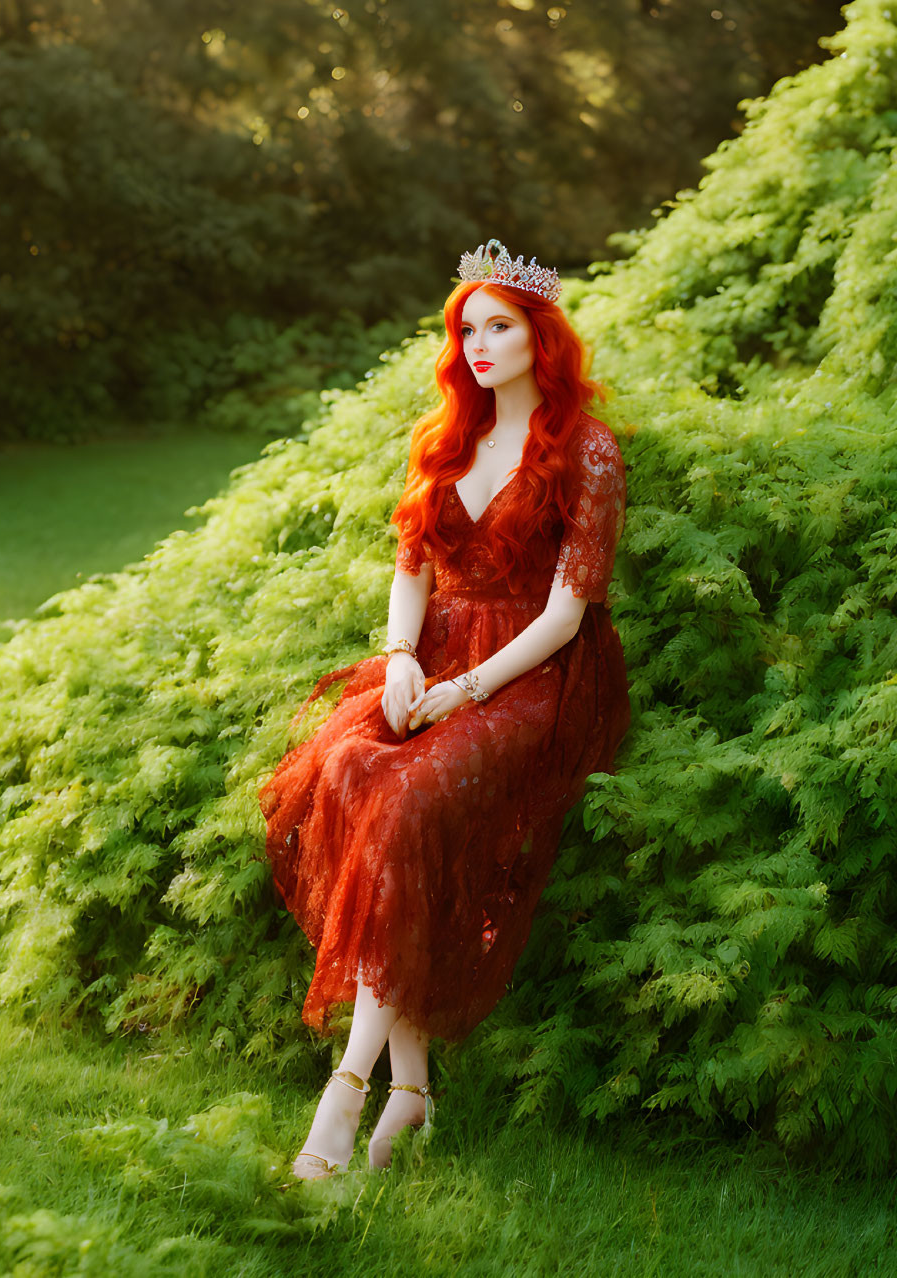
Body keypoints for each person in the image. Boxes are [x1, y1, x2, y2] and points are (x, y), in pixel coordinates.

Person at [257, 240, 632, 1177]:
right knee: (345, 769)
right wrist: (396, 661)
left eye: (498, 325)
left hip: (532, 673)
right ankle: (412, 1091)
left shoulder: (585, 447)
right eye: (465, 328)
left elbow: (568, 609)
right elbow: (410, 569)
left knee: (410, 804)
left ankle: (345, 1094)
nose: (477, 343)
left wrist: (468, 687)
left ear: (540, 336)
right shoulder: (445, 438)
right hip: (428, 659)